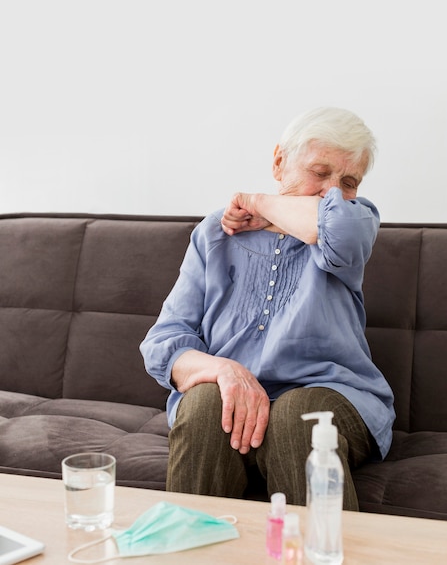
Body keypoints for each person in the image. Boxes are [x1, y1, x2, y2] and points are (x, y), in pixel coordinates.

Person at [140, 106, 395, 510]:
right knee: (207, 402)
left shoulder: (356, 222)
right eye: (319, 171)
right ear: (279, 161)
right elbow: (163, 343)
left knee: (299, 416)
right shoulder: (214, 234)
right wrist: (223, 369)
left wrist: (257, 202)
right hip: (228, 408)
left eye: (348, 181)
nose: (332, 191)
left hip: (332, 398)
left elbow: (335, 226)